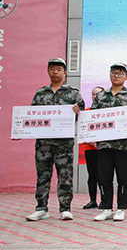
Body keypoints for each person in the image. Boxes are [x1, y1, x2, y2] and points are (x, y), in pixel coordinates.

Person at [25, 58, 84, 221]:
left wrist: (77, 112)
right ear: (48, 71)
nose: (55, 72)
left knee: (65, 176)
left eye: (58, 69)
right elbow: (31, 116)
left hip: (64, 144)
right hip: (43, 143)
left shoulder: (73, 93)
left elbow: (82, 116)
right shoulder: (40, 94)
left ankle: (65, 208)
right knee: (42, 176)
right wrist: (21, 130)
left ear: (65, 72)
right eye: (52, 69)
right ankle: (41, 208)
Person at [92, 62, 127, 222]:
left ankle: (121, 208)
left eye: (120, 73)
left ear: (126, 77)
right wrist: (92, 136)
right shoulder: (101, 96)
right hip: (104, 144)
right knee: (104, 177)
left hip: (123, 145)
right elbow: (92, 116)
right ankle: (106, 208)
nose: (116, 75)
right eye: (113, 72)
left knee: (123, 178)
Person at [82, 86, 104, 210]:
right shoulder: (86, 112)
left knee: (103, 176)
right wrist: (90, 140)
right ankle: (92, 200)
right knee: (92, 175)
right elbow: (83, 129)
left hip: (104, 149)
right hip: (90, 149)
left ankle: (104, 200)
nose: (96, 96)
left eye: (99, 94)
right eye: (94, 94)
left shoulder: (108, 112)